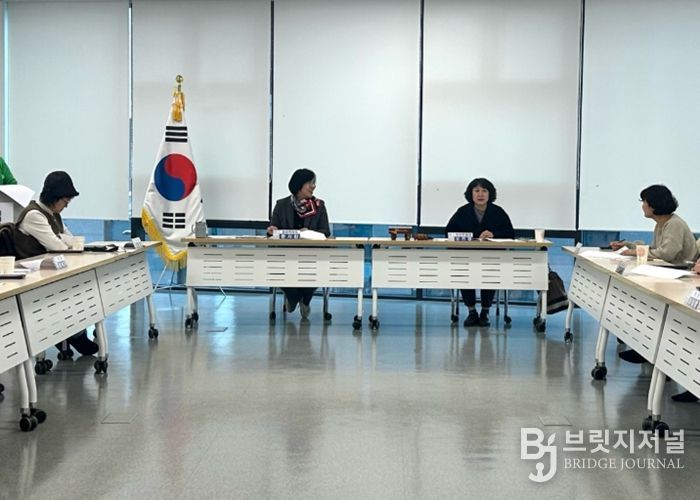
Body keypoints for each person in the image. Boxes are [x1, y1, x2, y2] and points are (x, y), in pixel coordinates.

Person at [611, 185, 698, 366]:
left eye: (644, 201)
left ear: (653, 205)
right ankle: (646, 348)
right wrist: (629, 246)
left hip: (680, 274)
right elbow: (656, 250)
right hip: (671, 272)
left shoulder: (673, 224)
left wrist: (636, 252)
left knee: (652, 306)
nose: (642, 205)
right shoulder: (662, 223)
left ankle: (650, 350)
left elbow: (667, 253)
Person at [14, 171, 98, 356]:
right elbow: (58, 246)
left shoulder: (53, 214)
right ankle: (73, 336)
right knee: (71, 291)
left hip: (49, 271)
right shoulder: (34, 215)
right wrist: (62, 239)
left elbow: (72, 241)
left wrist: (62, 238)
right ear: (54, 197)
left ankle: (75, 334)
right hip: (33, 276)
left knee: (81, 286)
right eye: (65, 201)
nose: (67, 205)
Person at [446, 177, 514, 327]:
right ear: (471, 194)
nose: (480, 194)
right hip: (467, 255)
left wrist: (493, 234)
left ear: (490, 194)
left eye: (484, 191)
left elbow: (510, 233)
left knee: (490, 273)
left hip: (492, 256)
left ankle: (485, 312)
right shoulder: (463, 211)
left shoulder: (498, 212)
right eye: (476, 190)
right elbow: (449, 232)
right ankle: (471, 311)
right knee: (464, 273)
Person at [267, 168, 330, 319]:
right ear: (299, 185)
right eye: (310, 183)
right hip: (285, 256)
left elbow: (326, 231)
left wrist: (309, 232)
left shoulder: (319, 205)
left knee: (317, 270)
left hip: (311, 255)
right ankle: (294, 297)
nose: (314, 186)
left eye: (314, 183)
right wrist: (271, 229)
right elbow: (273, 230)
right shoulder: (281, 205)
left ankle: (304, 300)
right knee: (278, 269)